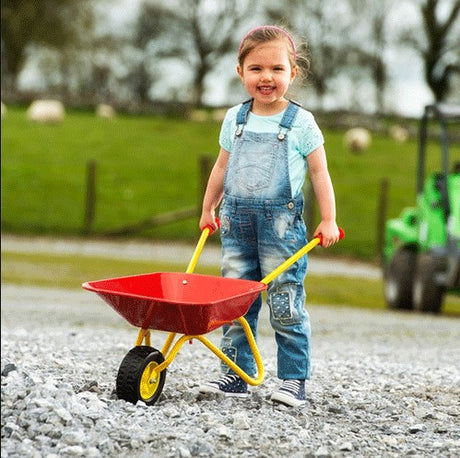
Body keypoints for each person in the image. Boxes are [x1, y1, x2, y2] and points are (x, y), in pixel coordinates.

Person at [198, 25, 340, 407]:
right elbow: (221, 168)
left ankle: (293, 379)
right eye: (256, 69)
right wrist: (208, 207)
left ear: (293, 73)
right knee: (234, 301)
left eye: (277, 69)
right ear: (240, 71)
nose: (266, 78)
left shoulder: (301, 123)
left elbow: (319, 174)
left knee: (286, 302)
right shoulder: (235, 119)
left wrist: (328, 219)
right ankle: (236, 373)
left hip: (282, 231)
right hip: (236, 227)